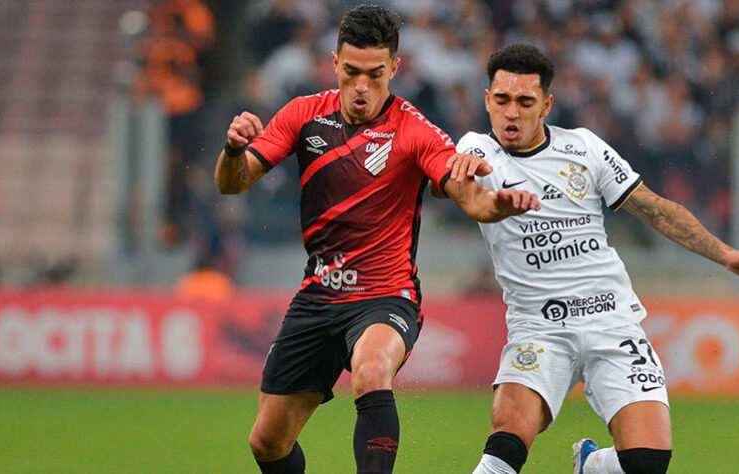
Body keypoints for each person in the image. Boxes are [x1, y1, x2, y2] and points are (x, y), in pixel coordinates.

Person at [213, 6, 539, 474]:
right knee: (267, 442)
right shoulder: (304, 115)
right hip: (319, 293)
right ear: (334, 63)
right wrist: (232, 150)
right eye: (351, 73)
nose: (362, 87)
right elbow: (232, 182)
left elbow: (469, 196)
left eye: (375, 74)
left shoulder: (414, 131)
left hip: (386, 296)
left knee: (370, 372)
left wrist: (499, 203)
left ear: (395, 68)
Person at [436, 44, 739, 474]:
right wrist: (492, 197)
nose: (512, 113)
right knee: (505, 447)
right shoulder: (475, 150)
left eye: (525, 102)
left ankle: (593, 465)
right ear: (488, 100)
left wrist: (725, 254)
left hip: (611, 321)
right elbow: (465, 197)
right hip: (540, 328)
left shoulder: (583, 148)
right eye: (503, 100)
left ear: (546, 104)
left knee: (648, 464)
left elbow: (655, 208)